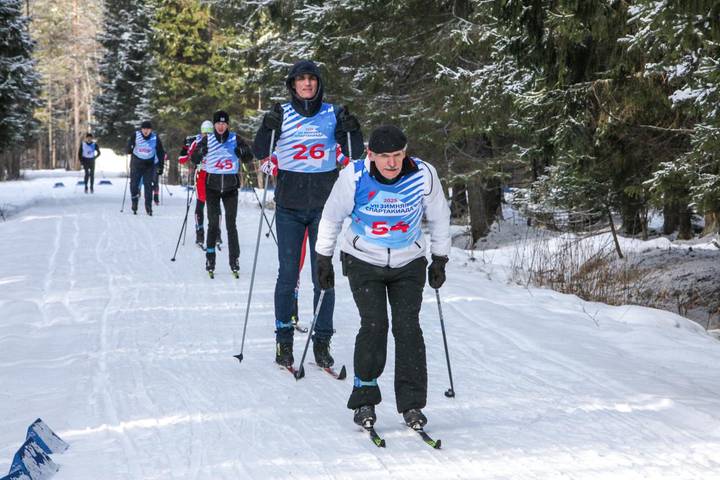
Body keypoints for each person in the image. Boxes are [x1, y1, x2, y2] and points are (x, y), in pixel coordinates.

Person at [314, 125, 451, 430]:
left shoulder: (423, 175)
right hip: (363, 259)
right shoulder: (354, 176)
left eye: (398, 155)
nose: (392, 162)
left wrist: (440, 258)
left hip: (409, 261)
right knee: (374, 323)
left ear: (406, 152)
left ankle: (412, 404)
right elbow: (331, 216)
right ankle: (364, 399)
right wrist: (323, 259)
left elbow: (440, 216)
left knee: (407, 327)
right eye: (385, 156)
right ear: (371, 154)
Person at [253, 59, 364, 369]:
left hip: (324, 209)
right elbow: (260, 150)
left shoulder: (332, 113)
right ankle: (283, 340)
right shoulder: (282, 113)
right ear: (292, 85)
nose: (307, 84)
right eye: (301, 80)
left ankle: (322, 341)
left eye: (311, 79)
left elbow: (354, 154)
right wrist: (267, 125)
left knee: (323, 277)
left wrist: (352, 128)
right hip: (288, 207)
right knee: (287, 275)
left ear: (318, 83)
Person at [191, 110, 254, 275]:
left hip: (230, 189)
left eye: (223, 123)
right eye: (218, 123)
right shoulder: (207, 139)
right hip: (211, 188)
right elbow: (194, 158)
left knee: (231, 225)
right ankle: (210, 258)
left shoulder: (235, 138)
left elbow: (248, 156)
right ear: (214, 125)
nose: (220, 126)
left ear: (227, 124)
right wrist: (199, 153)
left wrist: (243, 153)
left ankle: (234, 259)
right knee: (213, 224)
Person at [127, 120, 165, 215]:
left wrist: (161, 166)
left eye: (148, 129)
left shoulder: (155, 137)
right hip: (136, 163)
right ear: (141, 129)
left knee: (148, 185)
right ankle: (134, 202)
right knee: (134, 185)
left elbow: (161, 152)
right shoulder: (136, 135)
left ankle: (148, 207)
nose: (146, 131)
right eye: (144, 129)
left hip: (149, 164)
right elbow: (129, 144)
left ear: (151, 130)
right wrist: (129, 149)